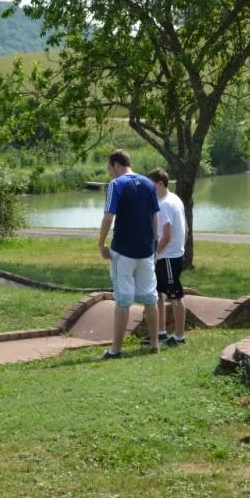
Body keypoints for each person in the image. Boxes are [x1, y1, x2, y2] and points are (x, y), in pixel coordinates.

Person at [98, 149, 161, 359]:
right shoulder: (149, 184)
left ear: (116, 164)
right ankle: (154, 345)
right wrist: (153, 243)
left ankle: (116, 349)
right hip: (145, 251)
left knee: (123, 300)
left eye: (109, 168)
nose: (109, 173)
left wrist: (101, 244)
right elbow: (155, 217)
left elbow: (108, 217)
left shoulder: (117, 185)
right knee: (150, 298)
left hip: (123, 251)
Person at [144, 167, 187, 346]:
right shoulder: (175, 199)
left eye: (151, 186)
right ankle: (160, 332)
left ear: (159, 183)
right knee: (158, 294)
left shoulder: (165, 205)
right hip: (170, 255)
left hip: (168, 256)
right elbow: (187, 228)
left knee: (175, 296)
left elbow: (167, 235)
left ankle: (179, 336)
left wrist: (155, 254)